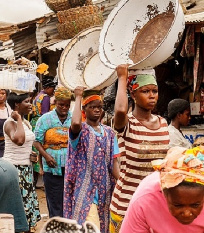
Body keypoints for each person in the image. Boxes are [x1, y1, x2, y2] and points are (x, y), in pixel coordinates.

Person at [110, 65, 170, 232]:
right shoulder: (127, 124)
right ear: (133, 94)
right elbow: (120, 111)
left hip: (155, 204)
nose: (152, 96)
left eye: (154, 91)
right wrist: (122, 77)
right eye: (145, 91)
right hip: (126, 204)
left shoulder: (163, 123)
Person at [64, 87, 120, 233]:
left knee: (104, 227)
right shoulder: (80, 131)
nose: (97, 110)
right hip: (85, 190)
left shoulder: (109, 132)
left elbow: (115, 163)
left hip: (105, 190)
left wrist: (122, 183)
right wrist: (78, 97)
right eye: (92, 107)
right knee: (90, 226)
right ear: (85, 109)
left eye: (99, 107)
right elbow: (75, 123)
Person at [120, 146, 204, 233]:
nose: (187, 214)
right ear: (164, 193)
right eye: (178, 205)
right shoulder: (144, 199)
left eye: (195, 205)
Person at [4, 92, 41, 233]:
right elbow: (19, 140)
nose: (30, 105)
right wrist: (18, 118)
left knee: (26, 206)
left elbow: (26, 145)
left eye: (30, 101)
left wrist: (32, 155)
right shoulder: (9, 123)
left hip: (26, 169)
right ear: (16, 105)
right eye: (27, 102)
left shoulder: (25, 123)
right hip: (14, 169)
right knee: (18, 206)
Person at [34, 87, 73, 218]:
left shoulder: (74, 119)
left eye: (67, 105)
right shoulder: (45, 119)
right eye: (61, 104)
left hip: (71, 167)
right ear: (55, 102)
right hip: (51, 167)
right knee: (54, 201)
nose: (64, 108)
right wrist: (46, 156)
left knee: (69, 201)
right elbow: (37, 142)